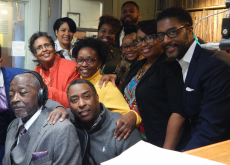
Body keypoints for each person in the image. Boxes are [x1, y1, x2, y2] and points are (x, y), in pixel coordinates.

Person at [156, 7, 230, 150]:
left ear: (190, 31)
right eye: (160, 35)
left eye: (172, 32)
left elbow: (210, 130)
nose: (165, 40)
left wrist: (184, 158)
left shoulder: (215, 64)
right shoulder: (173, 62)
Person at [122, 20, 189, 150]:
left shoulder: (170, 66)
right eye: (140, 40)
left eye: (149, 38)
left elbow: (178, 112)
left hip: (159, 139)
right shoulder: (137, 65)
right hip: (134, 139)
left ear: (160, 38)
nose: (144, 44)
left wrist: (166, 152)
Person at [3, 71, 82, 165]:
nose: (15, 99)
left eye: (23, 92)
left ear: (40, 94)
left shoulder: (62, 129)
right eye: (11, 95)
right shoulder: (12, 126)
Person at [72, 37, 141, 140]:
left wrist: (134, 116)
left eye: (90, 60)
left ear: (99, 63)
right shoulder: (76, 82)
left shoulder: (106, 86)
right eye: (80, 60)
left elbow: (128, 117)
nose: (84, 64)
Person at [67, 79, 141, 165]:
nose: (81, 104)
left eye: (86, 96)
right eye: (74, 100)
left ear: (97, 97)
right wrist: (58, 108)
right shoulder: (70, 120)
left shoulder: (121, 127)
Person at [30, 32, 80, 108]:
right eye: (39, 48)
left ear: (54, 48)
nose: (44, 49)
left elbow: (73, 100)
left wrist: (46, 91)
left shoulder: (71, 67)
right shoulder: (36, 71)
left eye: (47, 45)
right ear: (35, 55)